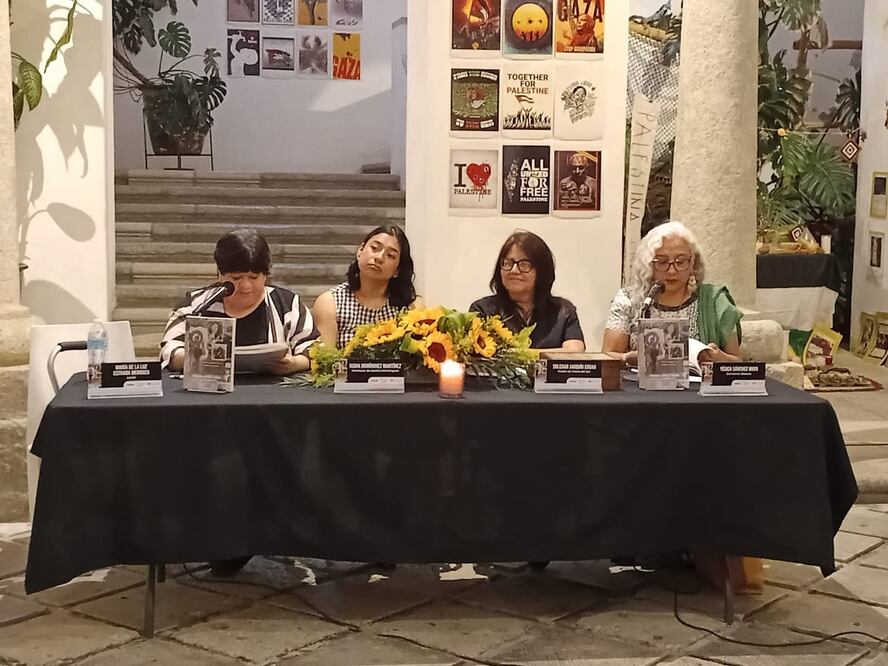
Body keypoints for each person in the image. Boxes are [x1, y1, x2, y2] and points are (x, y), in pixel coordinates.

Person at [160, 228, 319, 375]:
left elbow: (312, 349)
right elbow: (170, 350)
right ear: (220, 274)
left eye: (254, 277)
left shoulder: (287, 304)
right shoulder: (195, 305)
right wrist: (198, 359)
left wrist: (295, 364)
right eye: (236, 278)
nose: (245, 286)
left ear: (265, 275)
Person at [603, 220, 742, 366]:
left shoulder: (715, 301)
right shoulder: (628, 300)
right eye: (662, 262)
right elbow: (607, 356)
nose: (672, 270)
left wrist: (718, 358)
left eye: (680, 262)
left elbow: (738, 364)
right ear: (648, 264)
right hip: (637, 380)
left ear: (692, 263)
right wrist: (628, 358)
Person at [469, 230, 585, 352]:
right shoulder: (483, 310)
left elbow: (575, 351)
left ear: (542, 271)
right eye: (508, 263)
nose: (514, 270)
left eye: (524, 264)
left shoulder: (563, 311)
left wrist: (523, 355)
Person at [313, 224, 422, 348]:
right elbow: (325, 356)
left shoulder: (411, 307)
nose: (379, 258)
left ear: (397, 270)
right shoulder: (330, 303)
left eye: (390, 255)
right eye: (374, 248)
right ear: (360, 251)